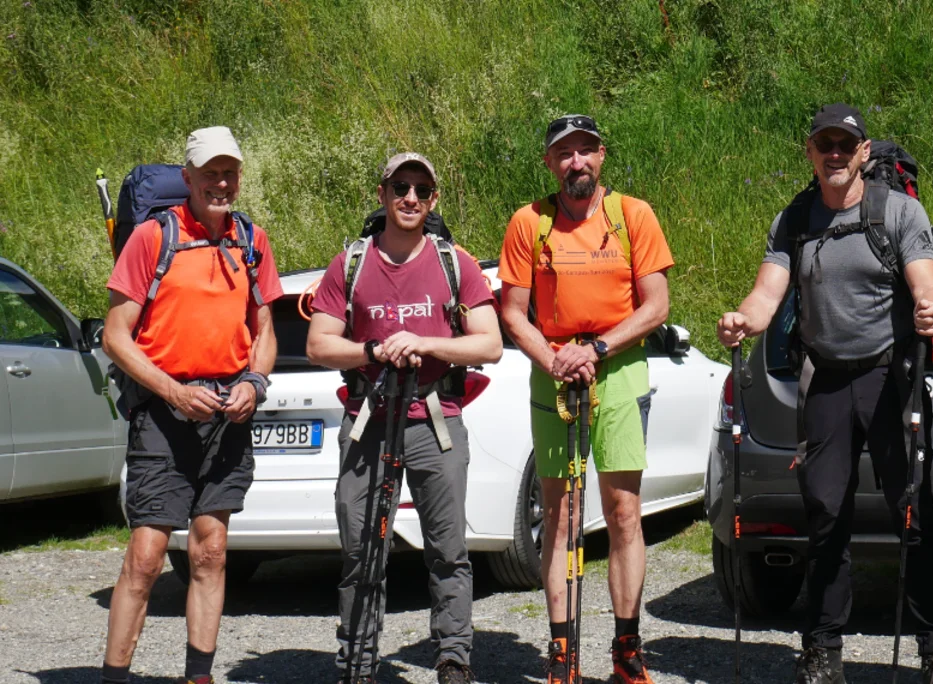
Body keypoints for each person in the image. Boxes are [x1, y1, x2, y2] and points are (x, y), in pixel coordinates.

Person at [717, 103, 933, 684]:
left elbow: (927, 281)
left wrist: (931, 305)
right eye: (823, 144)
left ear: (863, 153)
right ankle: (823, 647)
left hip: (889, 377)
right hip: (826, 377)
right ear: (811, 151)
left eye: (844, 145)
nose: (834, 153)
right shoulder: (794, 219)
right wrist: (742, 321)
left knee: (913, 510)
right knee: (825, 512)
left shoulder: (899, 211)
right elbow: (766, 293)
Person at [306, 152, 501, 684]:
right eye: (400, 187)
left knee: (447, 547)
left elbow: (490, 344)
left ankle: (453, 658)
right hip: (370, 418)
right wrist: (373, 351)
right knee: (362, 548)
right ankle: (358, 663)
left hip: (434, 417)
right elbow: (319, 343)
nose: (410, 197)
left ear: (433, 198)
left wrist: (424, 341)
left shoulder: (453, 262)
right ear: (383, 193)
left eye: (420, 189)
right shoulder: (350, 263)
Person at [100, 126, 283, 684]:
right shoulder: (154, 238)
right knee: (147, 556)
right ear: (188, 179)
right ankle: (115, 677)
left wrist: (254, 381)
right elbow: (115, 334)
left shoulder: (251, 240)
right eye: (210, 174)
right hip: (164, 412)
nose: (221, 183)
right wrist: (174, 391)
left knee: (211, 551)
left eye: (229, 173)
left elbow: (266, 328)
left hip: (227, 411)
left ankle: (198, 677)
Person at [497, 115, 674, 684]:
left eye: (585, 151)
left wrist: (595, 348)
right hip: (554, 371)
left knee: (623, 511)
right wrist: (555, 360)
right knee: (560, 514)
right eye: (564, 153)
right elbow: (511, 313)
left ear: (601, 157)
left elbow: (656, 307)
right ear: (550, 163)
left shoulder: (632, 215)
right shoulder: (530, 222)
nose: (576, 162)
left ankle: (626, 649)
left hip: (618, 368)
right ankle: (562, 653)